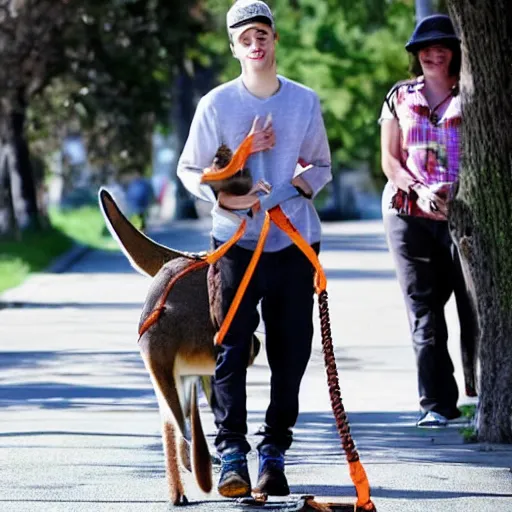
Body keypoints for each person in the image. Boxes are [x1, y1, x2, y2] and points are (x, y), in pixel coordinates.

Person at [177, 0, 332, 499]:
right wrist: (226, 196)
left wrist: (296, 188)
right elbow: (189, 169)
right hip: (235, 244)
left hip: (292, 244)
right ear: (233, 48)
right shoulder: (216, 105)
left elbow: (322, 165)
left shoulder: (304, 101)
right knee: (231, 348)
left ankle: (274, 453)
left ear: (275, 39)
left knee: (291, 354)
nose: (255, 43)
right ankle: (232, 456)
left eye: (262, 33)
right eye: (244, 38)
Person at [379, 14, 478, 428]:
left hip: (463, 214)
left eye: (442, 47)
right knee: (423, 310)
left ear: (454, 52)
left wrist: (454, 189)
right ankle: (435, 402)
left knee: (473, 306)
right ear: (415, 55)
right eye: (426, 48)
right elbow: (389, 159)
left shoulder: (472, 93)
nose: (434, 54)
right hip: (407, 213)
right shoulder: (400, 97)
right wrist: (417, 188)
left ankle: (479, 391)